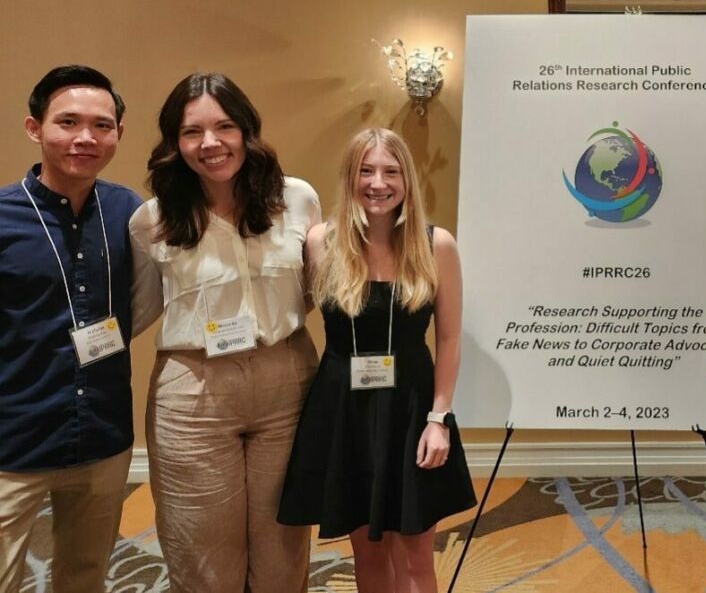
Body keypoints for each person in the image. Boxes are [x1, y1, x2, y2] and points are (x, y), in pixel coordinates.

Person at [129, 73, 320, 592]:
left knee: (284, 547)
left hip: (287, 383)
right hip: (194, 395)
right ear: (175, 142)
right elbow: (140, 308)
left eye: (225, 127)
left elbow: (317, 289)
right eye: (193, 132)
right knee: (202, 555)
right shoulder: (151, 219)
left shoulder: (296, 199)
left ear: (247, 132)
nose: (210, 144)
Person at [278, 128, 475, 592]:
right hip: (345, 411)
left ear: (407, 179)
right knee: (367, 556)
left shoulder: (436, 245)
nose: (377, 183)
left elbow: (447, 338)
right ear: (350, 178)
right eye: (366, 170)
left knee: (417, 559)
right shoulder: (320, 243)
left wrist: (438, 418)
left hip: (412, 410)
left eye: (391, 171)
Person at [0, 65, 140, 593]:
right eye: (68, 122)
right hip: (13, 439)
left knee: (85, 577)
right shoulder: (3, 217)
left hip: (103, 434)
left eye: (102, 125)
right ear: (34, 128)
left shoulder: (131, 212)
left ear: (118, 135)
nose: (86, 137)